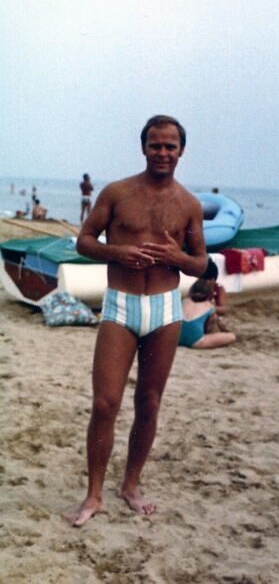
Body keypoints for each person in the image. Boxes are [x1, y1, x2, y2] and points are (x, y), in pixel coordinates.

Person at [67, 115, 208, 527]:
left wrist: (176, 259)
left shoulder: (189, 204)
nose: (162, 153)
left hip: (165, 310)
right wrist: (120, 254)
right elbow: (84, 240)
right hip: (121, 305)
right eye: (154, 145)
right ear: (143, 147)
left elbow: (200, 263)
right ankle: (94, 494)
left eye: (170, 146)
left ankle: (130, 484)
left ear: (181, 151)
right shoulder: (117, 193)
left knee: (148, 402)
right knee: (104, 403)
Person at [179, 259, 237, 349]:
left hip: (176, 338)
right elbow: (209, 327)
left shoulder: (185, 300)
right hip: (196, 339)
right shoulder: (209, 306)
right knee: (231, 336)